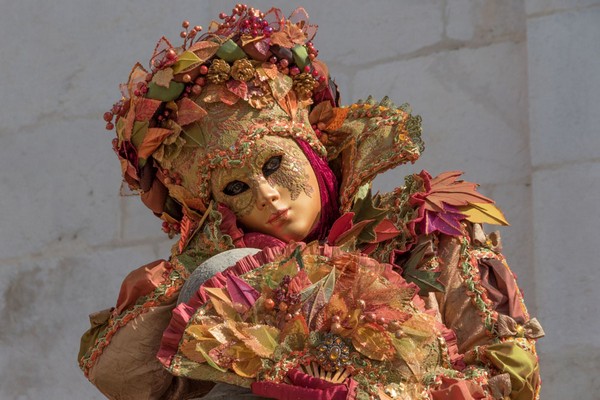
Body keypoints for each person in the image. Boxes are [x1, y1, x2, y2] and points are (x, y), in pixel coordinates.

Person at [79, 5, 543, 400]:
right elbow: (125, 373)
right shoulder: (228, 278)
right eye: (235, 189)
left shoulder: (426, 234)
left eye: (273, 163)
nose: (266, 194)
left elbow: (513, 373)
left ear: (312, 149)